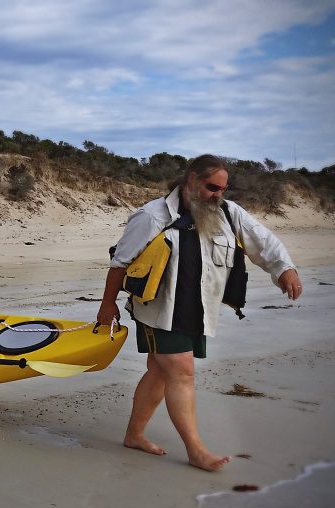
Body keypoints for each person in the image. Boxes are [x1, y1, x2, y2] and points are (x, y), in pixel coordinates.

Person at [97, 154, 302, 472]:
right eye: (211, 187)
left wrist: (284, 268)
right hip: (158, 309)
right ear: (191, 180)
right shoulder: (152, 216)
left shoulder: (228, 214)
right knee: (182, 372)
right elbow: (120, 262)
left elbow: (263, 241)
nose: (218, 194)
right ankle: (196, 450)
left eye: (222, 188)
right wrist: (107, 305)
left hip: (198, 309)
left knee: (160, 371)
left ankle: (134, 435)